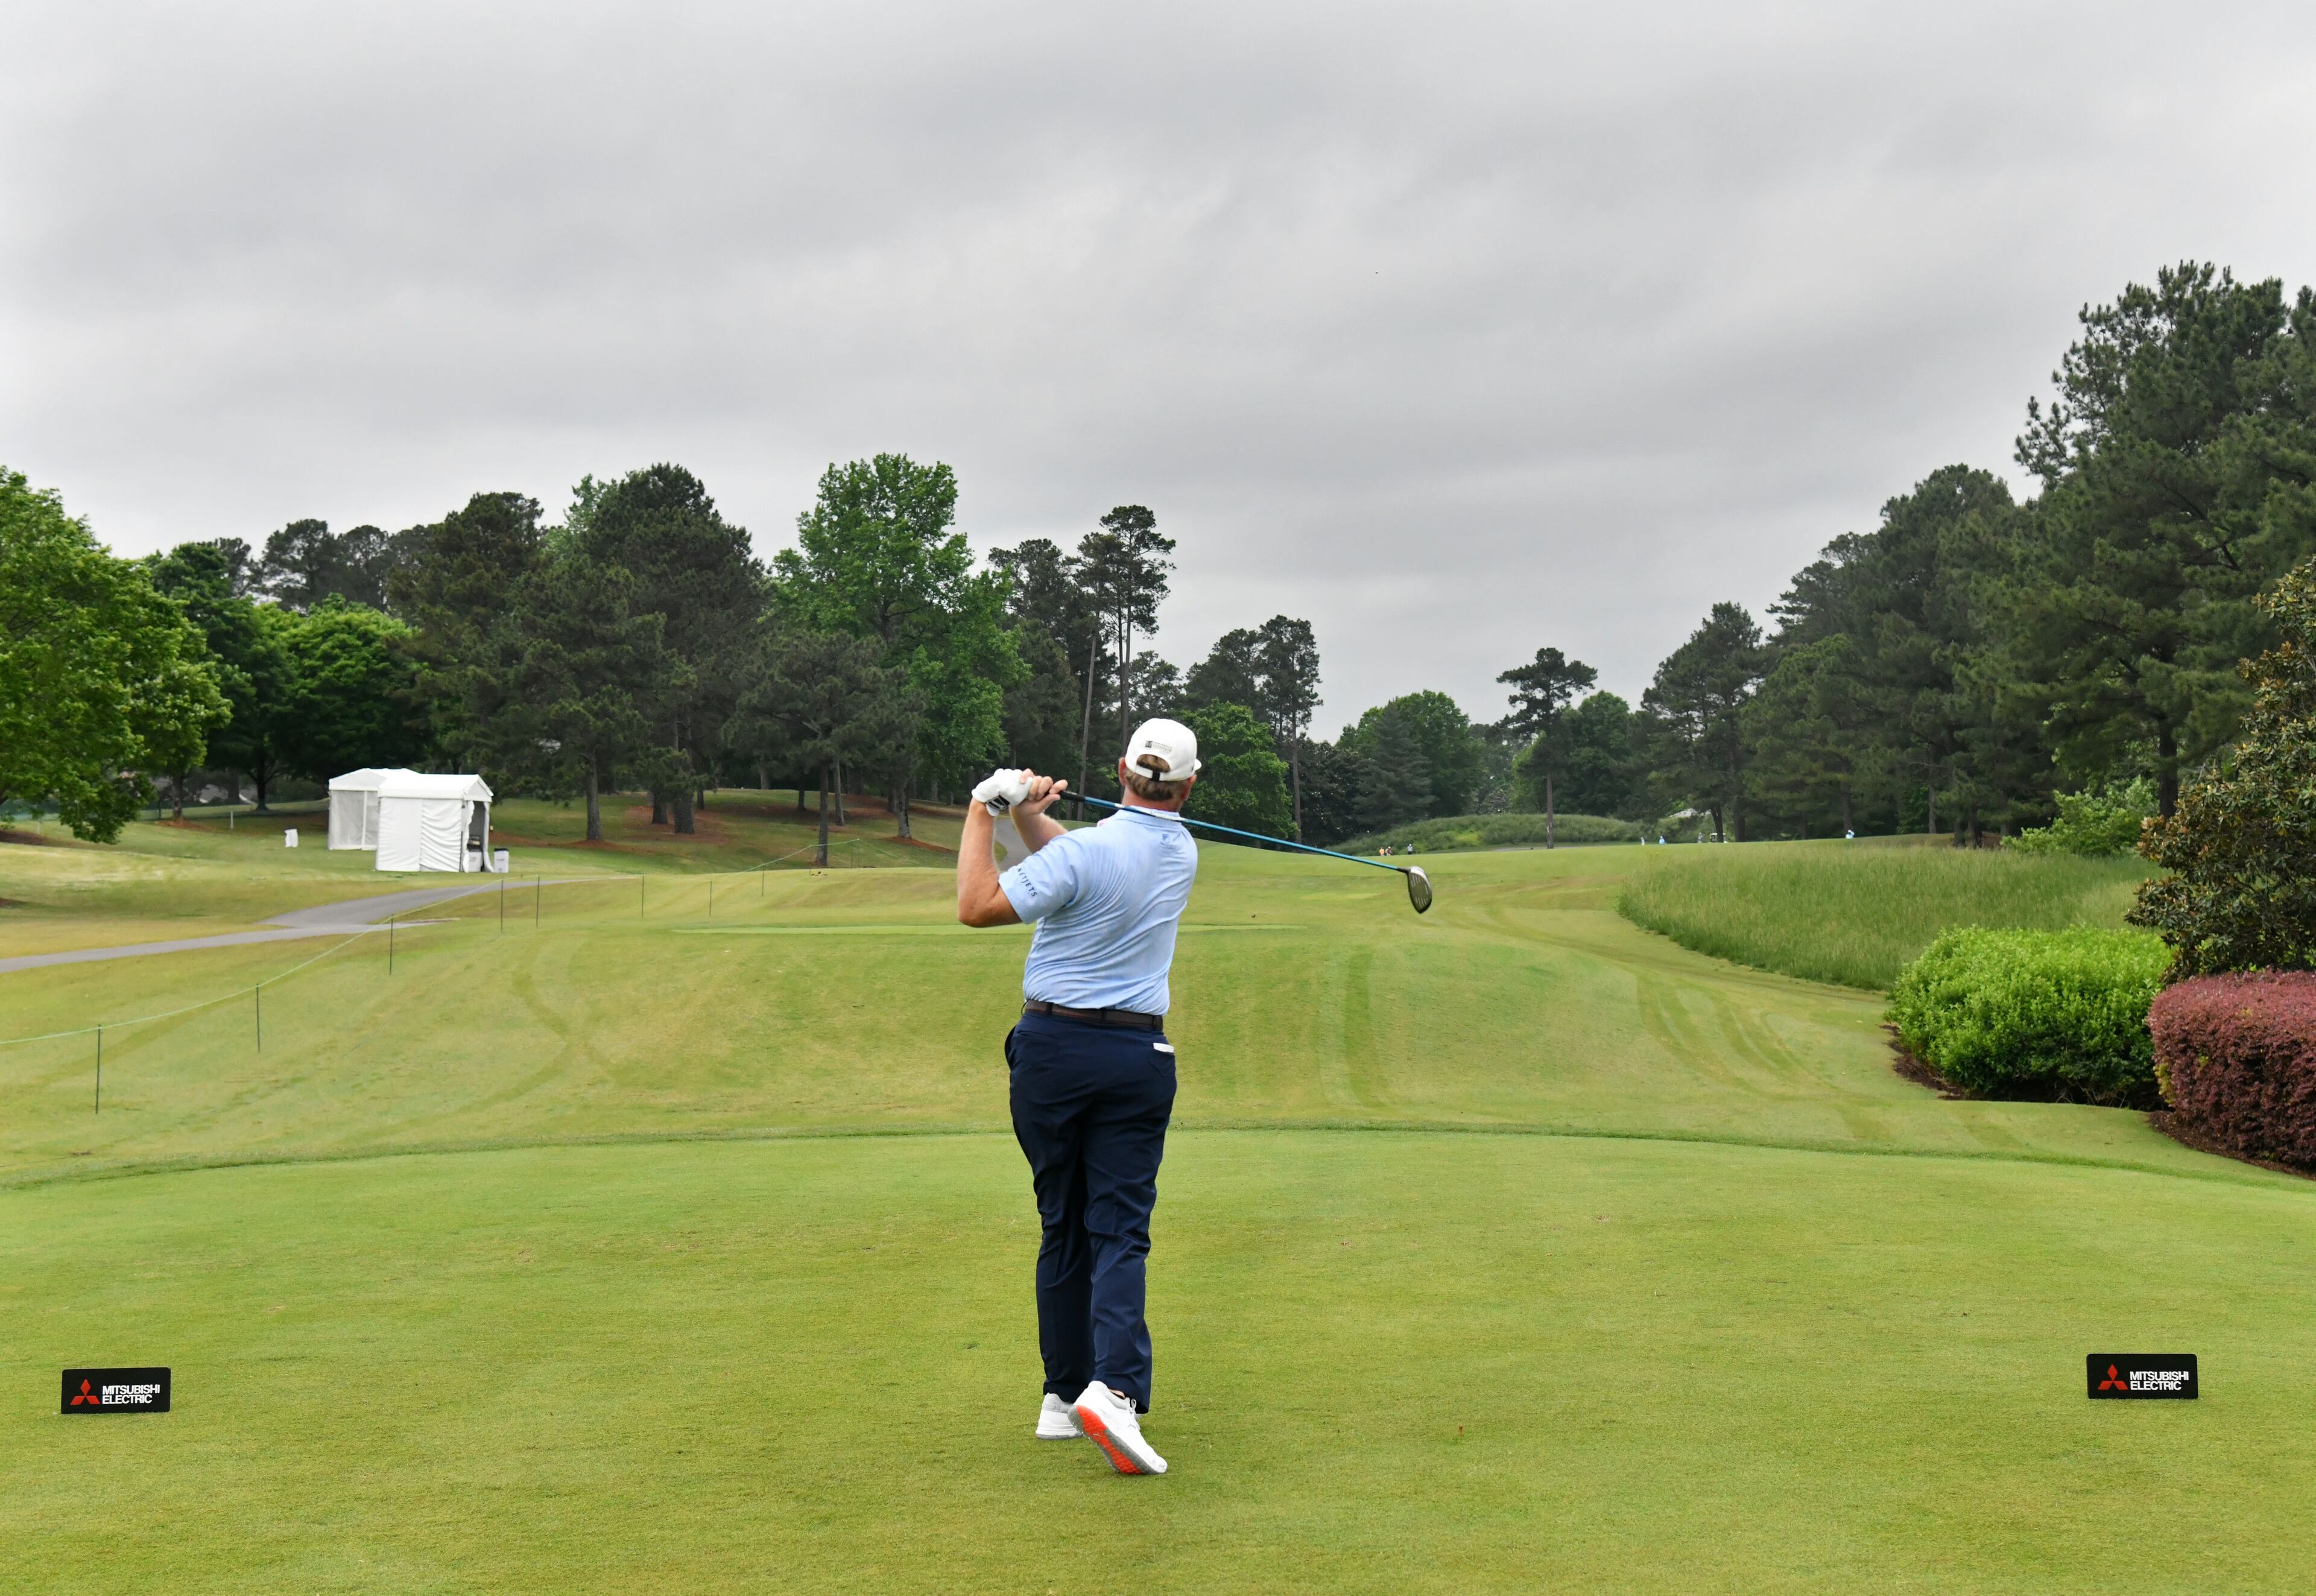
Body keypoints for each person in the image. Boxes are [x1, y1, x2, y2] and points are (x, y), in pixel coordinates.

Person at [955, 717, 1203, 1477]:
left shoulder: (1091, 850)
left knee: (1062, 1221)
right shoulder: (1182, 851)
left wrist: (983, 812)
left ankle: (1068, 1395)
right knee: (1118, 1229)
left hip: (1052, 1055)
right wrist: (1028, 814)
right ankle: (1108, 1392)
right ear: (1188, 785)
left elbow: (977, 903)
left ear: (1121, 767)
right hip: (1134, 1055)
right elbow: (1078, 863)